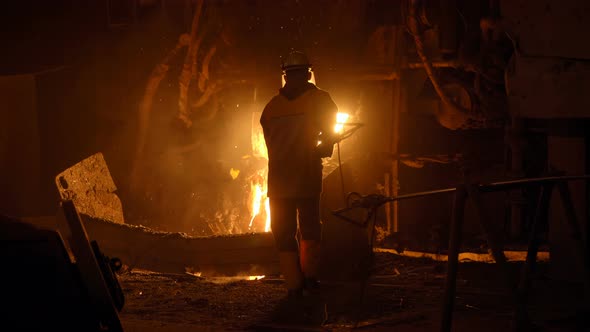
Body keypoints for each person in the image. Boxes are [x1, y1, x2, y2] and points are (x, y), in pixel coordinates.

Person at [261, 50, 338, 298]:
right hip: (306, 177)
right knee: (310, 228)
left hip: (279, 182)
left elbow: (270, 142)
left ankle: (293, 286)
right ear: (308, 73)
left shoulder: (271, 108)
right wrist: (325, 145)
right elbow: (329, 131)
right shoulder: (320, 100)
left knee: (283, 233)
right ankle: (311, 280)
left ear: (285, 76)